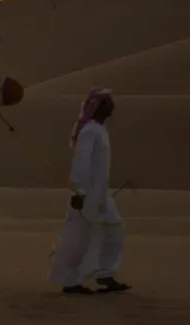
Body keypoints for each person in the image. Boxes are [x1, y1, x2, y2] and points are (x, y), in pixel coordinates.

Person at [48, 88, 131, 295]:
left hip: (101, 195)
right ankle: (69, 281)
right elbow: (81, 162)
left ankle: (104, 274)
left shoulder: (99, 130)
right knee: (78, 237)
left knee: (113, 230)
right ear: (98, 106)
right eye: (107, 102)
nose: (112, 105)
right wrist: (79, 191)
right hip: (86, 194)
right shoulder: (90, 131)